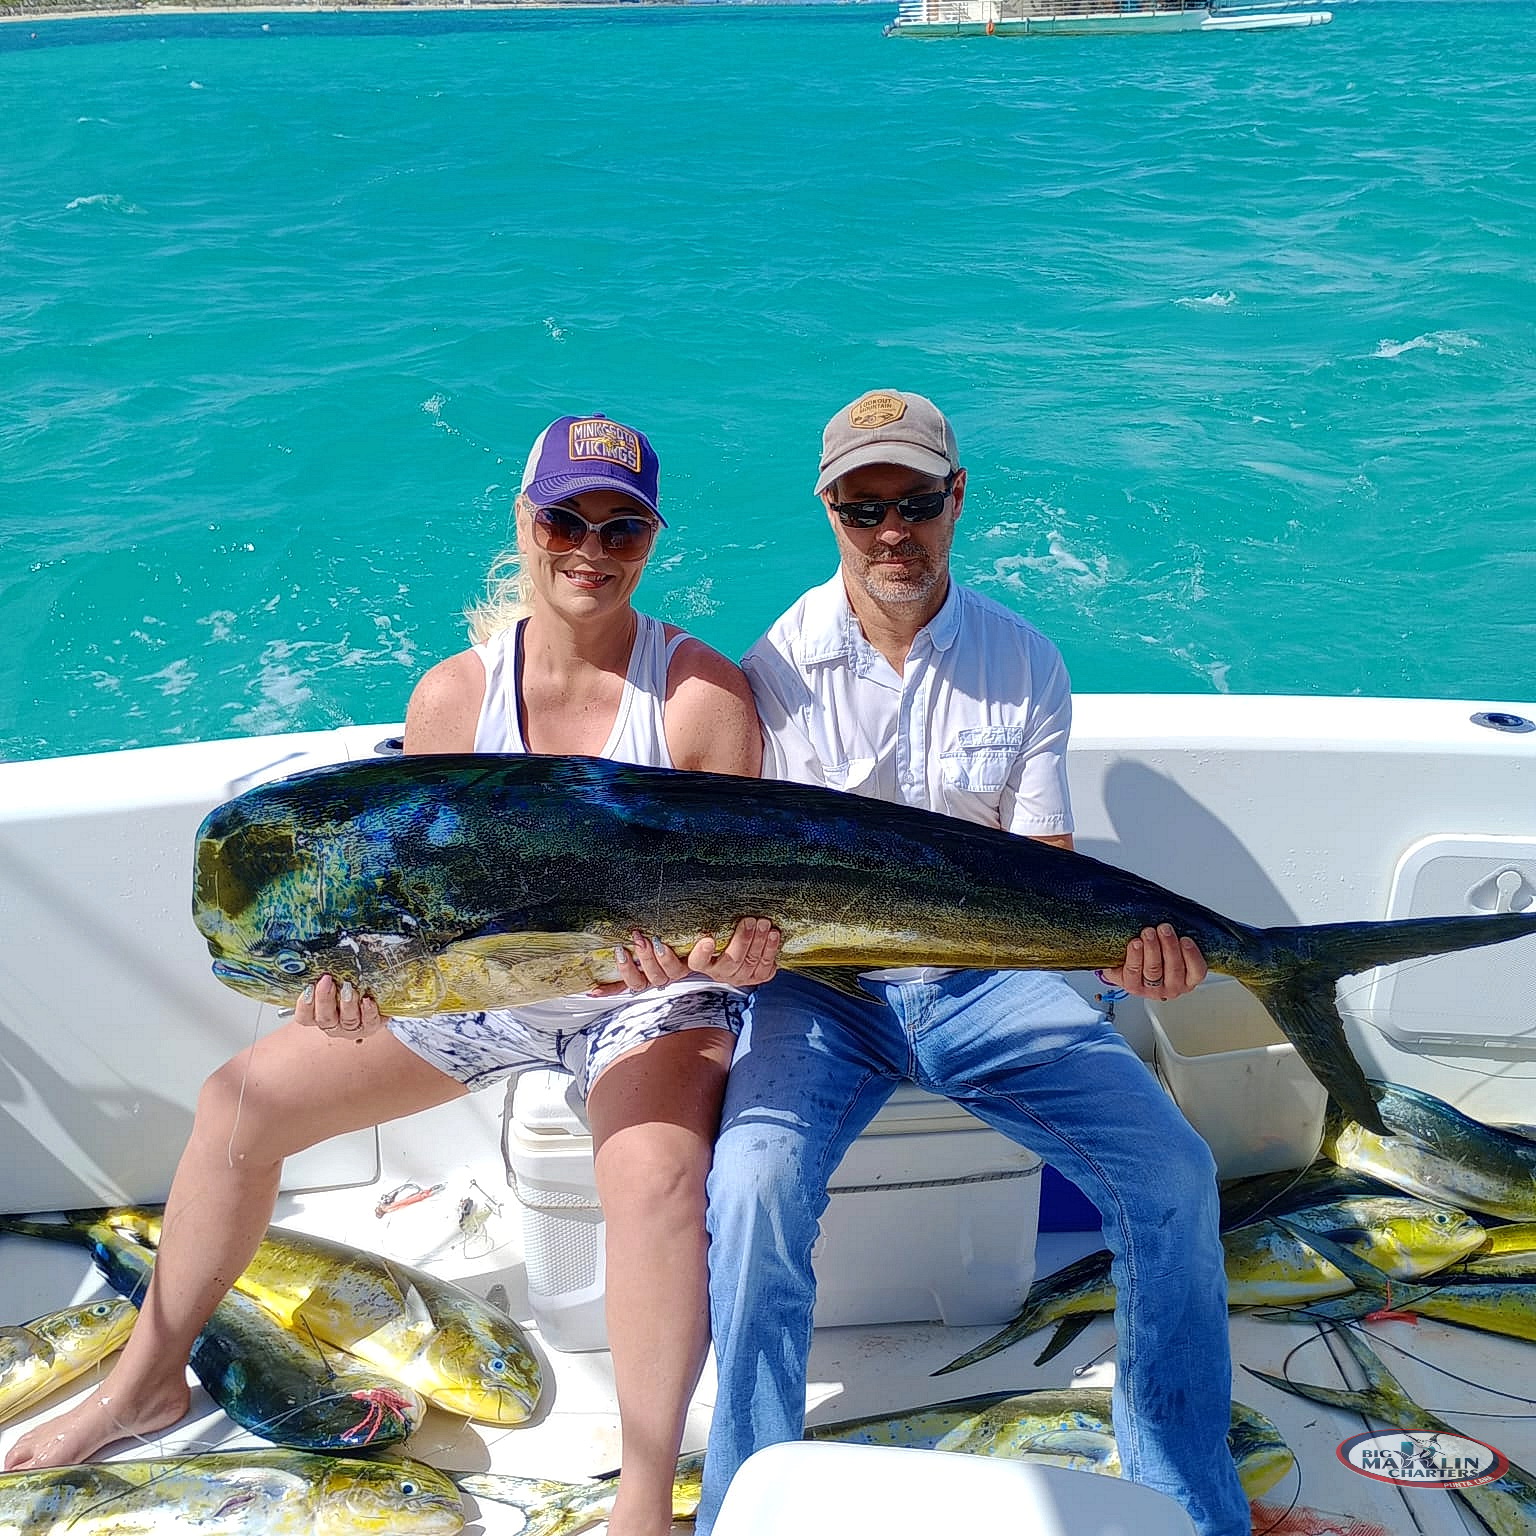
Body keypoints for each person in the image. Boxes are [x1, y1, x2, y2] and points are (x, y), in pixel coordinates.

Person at [6, 412, 777, 1536]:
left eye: (621, 527)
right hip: (478, 988)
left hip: (644, 995)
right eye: (566, 518)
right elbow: (404, 909)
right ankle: (147, 1381)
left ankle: (647, 1502)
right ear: (526, 523)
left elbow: (748, 900)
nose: (591, 548)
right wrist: (351, 982)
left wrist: (728, 961)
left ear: (651, 541)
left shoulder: (702, 699)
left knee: (654, 1178)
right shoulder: (453, 702)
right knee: (238, 1105)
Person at [697, 390, 1249, 1536]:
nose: (893, 531)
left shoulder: (1025, 660)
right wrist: (745, 957)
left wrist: (1121, 961)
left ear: (958, 500)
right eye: (864, 507)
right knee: (751, 1188)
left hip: (985, 982)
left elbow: (1039, 870)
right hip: (824, 994)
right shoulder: (772, 669)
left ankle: (1191, 1503)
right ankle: (743, 1497)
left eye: (916, 503)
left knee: (1174, 1176)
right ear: (829, 510)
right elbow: (747, 878)